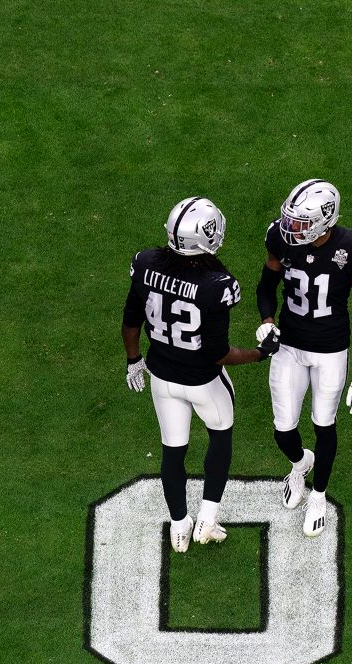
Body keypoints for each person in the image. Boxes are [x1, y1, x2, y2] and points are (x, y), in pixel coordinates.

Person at [123, 197, 281, 553]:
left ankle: (179, 526)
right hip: (203, 382)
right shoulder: (217, 284)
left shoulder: (146, 263)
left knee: (172, 451)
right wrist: (260, 354)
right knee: (220, 438)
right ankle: (207, 520)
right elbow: (218, 354)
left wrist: (134, 359)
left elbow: (131, 319)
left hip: (162, 378)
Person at [255, 179, 352, 537]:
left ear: (326, 221)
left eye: (301, 223)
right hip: (289, 346)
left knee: (324, 424)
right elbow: (266, 287)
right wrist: (267, 321)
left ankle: (319, 495)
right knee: (283, 430)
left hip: (330, 350)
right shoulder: (279, 238)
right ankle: (298, 464)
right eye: (290, 221)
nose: (291, 229)